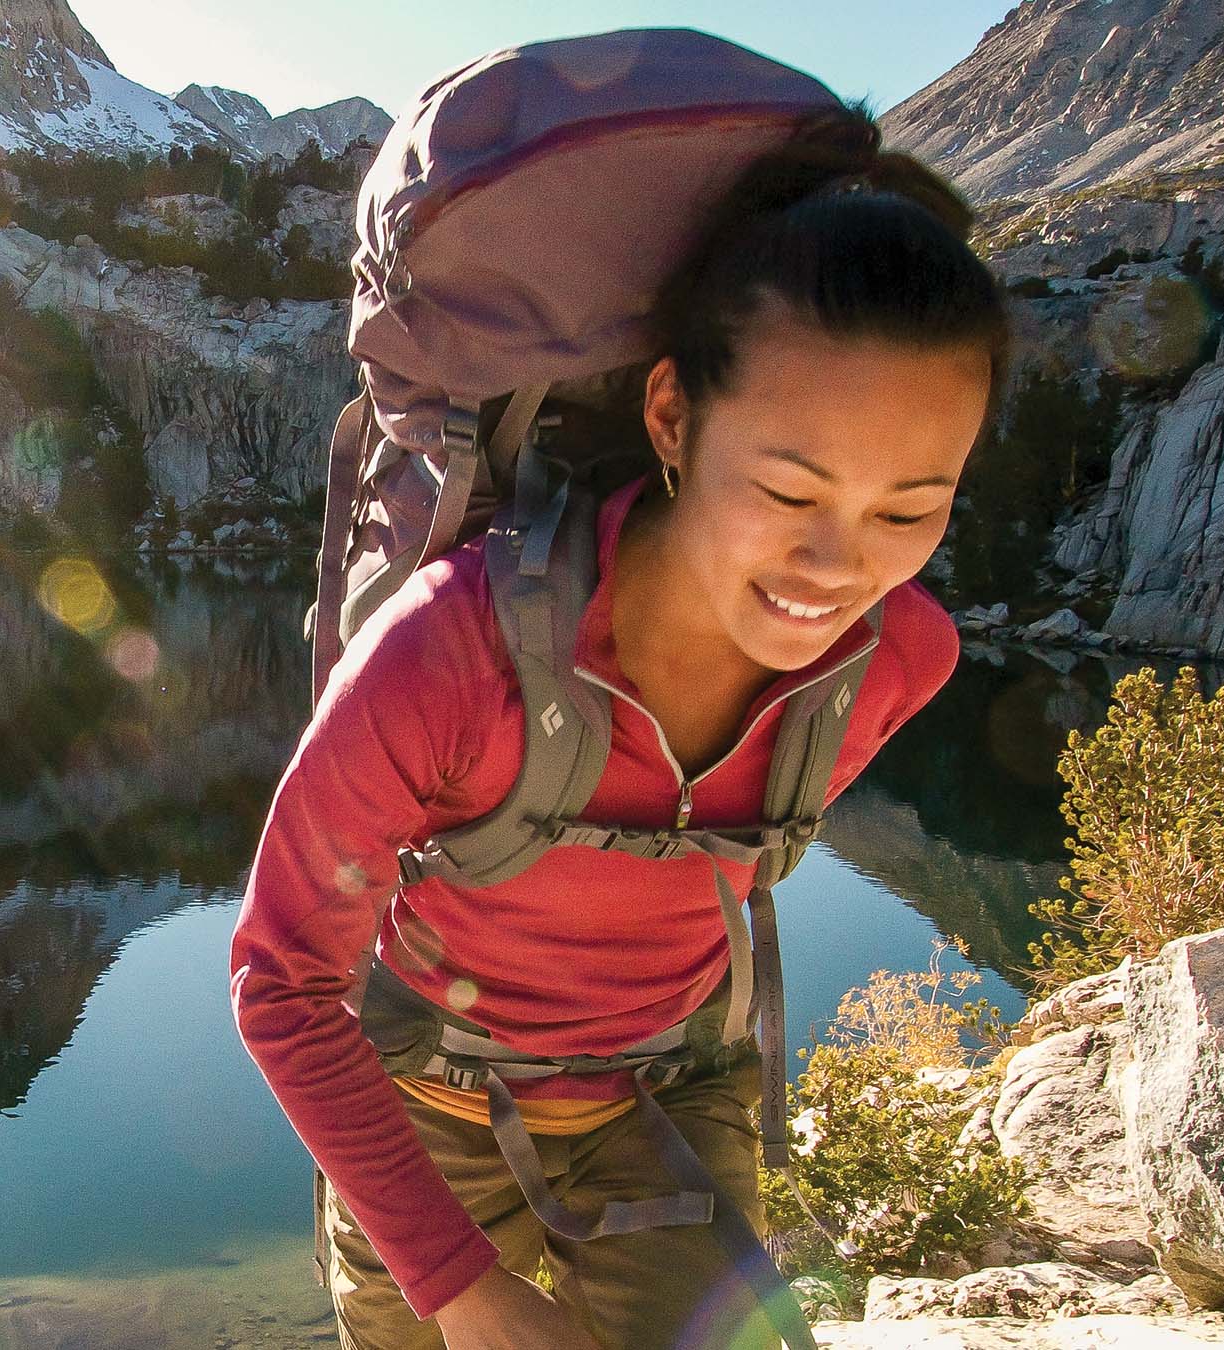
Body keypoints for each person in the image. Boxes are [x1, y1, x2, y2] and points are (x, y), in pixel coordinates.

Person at [229, 100, 1011, 1350]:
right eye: (789, 488)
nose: (836, 566)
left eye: (909, 509)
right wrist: (463, 1293)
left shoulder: (902, 657)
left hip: (670, 1089)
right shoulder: (449, 652)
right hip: (429, 1113)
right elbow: (282, 984)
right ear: (673, 421)